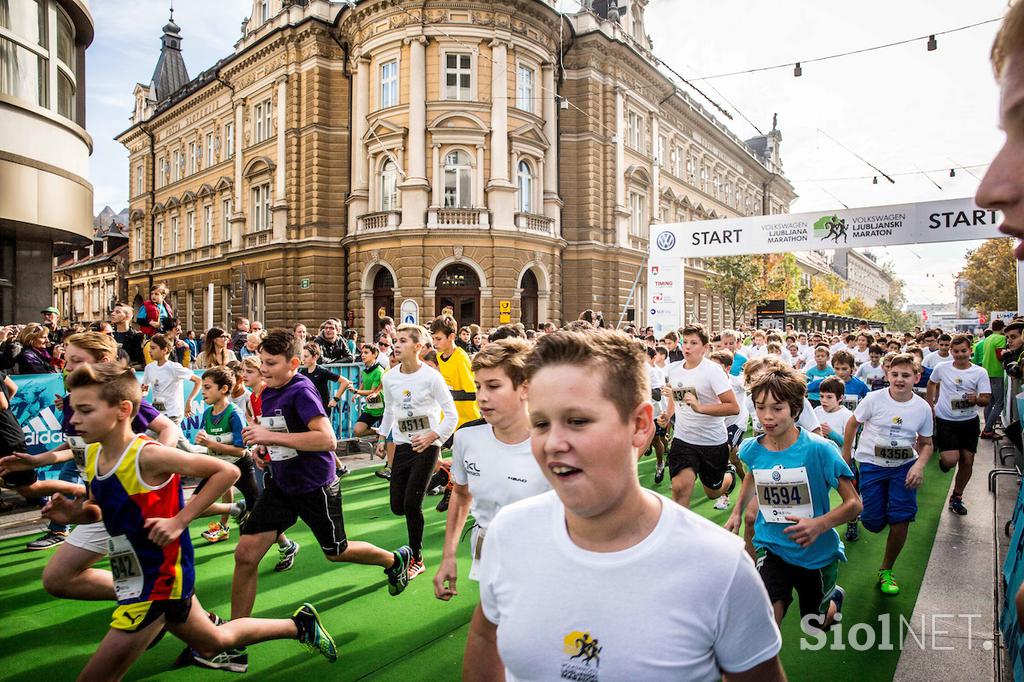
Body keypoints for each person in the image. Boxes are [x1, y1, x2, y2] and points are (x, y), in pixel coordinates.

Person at [464, 329, 785, 681]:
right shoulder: (509, 531)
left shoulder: (719, 564)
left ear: (640, 424)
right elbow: (483, 636)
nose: (553, 442)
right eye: (540, 423)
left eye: (577, 421)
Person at [44, 362, 336, 679]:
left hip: (159, 583)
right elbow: (104, 510)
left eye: (85, 410)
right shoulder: (96, 456)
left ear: (123, 410)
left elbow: (227, 471)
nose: (73, 420)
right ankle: (299, 625)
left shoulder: (147, 455)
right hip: (131, 577)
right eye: (73, 410)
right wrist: (77, 514)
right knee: (215, 640)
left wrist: (180, 520)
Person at [232, 330, 411, 672]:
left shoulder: (301, 390)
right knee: (245, 554)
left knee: (335, 552)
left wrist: (268, 436)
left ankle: (394, 561)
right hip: (282, 484)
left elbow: (327, 439)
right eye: (262, 363)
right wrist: (264, 449)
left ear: (293, 363)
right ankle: (235, 640)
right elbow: (282, 434)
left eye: (271, 363)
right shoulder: (268, 392)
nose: (263, 369)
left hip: (315, 486)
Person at [0, 332, 183, 589]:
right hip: (101, 505)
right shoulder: (73, 401)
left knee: (138, 580)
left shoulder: (116, 397)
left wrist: (152, 461)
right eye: (66, 358)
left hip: (129, 504)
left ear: (103, 360)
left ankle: (171, 605)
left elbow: (168, 428)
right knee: (62, 579)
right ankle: (163, 601)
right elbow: (77, 447)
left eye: (75, 359)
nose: (67, 366)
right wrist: (36, 460)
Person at [725, 363, 860, 634]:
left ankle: (833, 601)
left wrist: (818, 525)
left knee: (816, 626)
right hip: (773, 547)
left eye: (777, 408)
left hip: (816, 555)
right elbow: (753, 475)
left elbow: (854, 504)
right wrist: (737, 511)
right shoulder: (752, 448)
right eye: (761, 407)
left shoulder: (820, 449)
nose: (767, 416)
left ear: (795, 410)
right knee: (766, 620)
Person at [433, 338, 551, 601]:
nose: (482, 396)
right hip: (486, 548)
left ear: (525, 388)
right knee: (494, 624)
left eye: (494, 386)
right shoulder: (466, 438)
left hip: (544, 560)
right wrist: (449, 555)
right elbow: (462, 495)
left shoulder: (554, 444)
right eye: (478, 386)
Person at [842, 353, 934, 596]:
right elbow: (853, 424)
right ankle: (865, 513)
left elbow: (927, 443)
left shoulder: (922, 408)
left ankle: (886, 570)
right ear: (887, 375)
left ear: (917, 377)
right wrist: (847, 454)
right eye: (895, 374)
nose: (900, 379)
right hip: (872, 464)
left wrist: (919, 466)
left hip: (904, 467)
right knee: (873, 523)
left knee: (901, 518)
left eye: (906, 375)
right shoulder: (873, 399)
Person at [376, 324, 458, 579]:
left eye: (402, 340)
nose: (396, 345)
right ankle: (442, 477)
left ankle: (417, 558)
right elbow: (390, 409)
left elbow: (451, 414)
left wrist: (434, 435)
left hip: (427, 445)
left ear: (418, 347)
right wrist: (381, 436)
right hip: (402, 445)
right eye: (395, 340)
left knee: (412, 505)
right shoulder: (389, 377)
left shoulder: (432, 377)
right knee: (397, 506)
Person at [662, 323, 739, 509]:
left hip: (712, 442)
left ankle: (729, 476)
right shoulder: (673, 369)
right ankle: (680, 535)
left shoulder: (713, 371)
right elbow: (675, 394)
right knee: (680, 488)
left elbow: (733, 407)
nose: (687, 347)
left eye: (693, 343)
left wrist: (700, 407)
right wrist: (668, 415)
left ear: (705, 348)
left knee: (713, 492)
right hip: (683, 438)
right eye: (685, 342)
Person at [927, 334, 992, 515]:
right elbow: (932, 383)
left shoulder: (980, 372)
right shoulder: (942, 368)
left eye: (963, 351)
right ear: (951, 352)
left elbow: (986, 400)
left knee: (967, 460)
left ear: (970, 351)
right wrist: (930, 405)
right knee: (950, 460)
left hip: (969, 422)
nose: (960, 354)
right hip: (946, 420)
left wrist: (977, 399)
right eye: (956, 351)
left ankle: (957, 496)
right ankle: (945, 462)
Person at [192, 366, 257, 544]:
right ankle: (236, 509)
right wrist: (202, 440)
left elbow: (241, 450)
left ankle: (286, 545)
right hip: (219, 467)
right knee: (193, 507)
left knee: (259, 512)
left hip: (240, 464)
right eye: (203, 387)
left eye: (207, 387)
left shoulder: (234, 414)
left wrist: (210, 444)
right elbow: (209, 442)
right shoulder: (207, 414)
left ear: (224, 389)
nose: (202, 392)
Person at [430, 315, 482, 430]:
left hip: (467, 421)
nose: (434, 343)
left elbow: (472, 393)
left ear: (452, 337)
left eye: (438, 339)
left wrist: (445, 394)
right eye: (433, 338)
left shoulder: (460, 358)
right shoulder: (439, 356)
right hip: (448, 420)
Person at [140, 334, 202, 428]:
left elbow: (198, 381)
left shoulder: (174, 367)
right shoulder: (149, 368)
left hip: (173, 415)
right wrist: (139, 396)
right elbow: (144, 389)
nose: (149, 351)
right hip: (158, 414)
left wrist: (189, 400)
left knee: (152, 437)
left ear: (164, 350)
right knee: (179, 442)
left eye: (153, 348)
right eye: (150, 348)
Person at [980, 320, 1007, 438]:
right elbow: (1000, 355)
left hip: (987, 372)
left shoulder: (988, 338)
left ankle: (988, 427)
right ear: (1002, 328)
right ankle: (987, 429)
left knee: (989, 402)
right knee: (999, 403)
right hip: (997, 372)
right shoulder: (1000, 339)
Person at [111, 304, 144, 369]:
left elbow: (140, 363)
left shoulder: (136, 337)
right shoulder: (109, 335)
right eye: (113, 311)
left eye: (117, 312)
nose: (112, 314)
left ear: (127, 317)